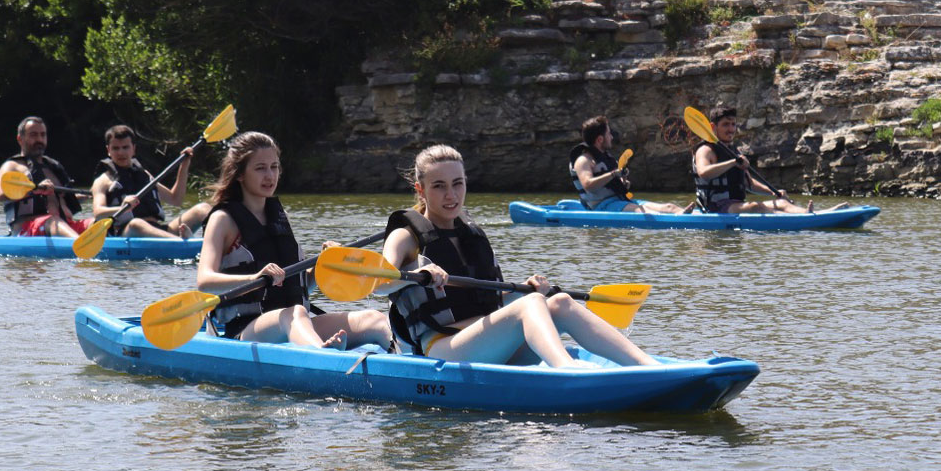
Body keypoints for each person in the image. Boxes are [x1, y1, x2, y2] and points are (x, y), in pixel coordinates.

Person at [377, 144, 658, 368]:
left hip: (486, 341)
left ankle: (647, 365)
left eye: (457, 183)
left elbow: (486, 302)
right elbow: (380, 281)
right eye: (439, 186)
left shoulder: (471, 235)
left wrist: (523, 292)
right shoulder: (405, 237)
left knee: (557, 301)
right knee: (532, 304)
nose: (451, 195)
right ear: (421, 190)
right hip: (442, 347)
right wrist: (418, 276)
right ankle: (566, 369)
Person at [196, 131, 392, 350]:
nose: (270, 176)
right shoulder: (223, 219)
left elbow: (298, 285)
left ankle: (411, 364)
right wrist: (255, 277)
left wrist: (325, 264)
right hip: (247, 331)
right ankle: (322, 357)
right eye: (260, 168)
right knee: (294, 314)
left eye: (274, 167)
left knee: (373, 319)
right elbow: (204, 280)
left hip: (296, 324)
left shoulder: (278, 216)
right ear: (240, 174)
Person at [692, 105, 850, 214]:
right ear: (713, 127)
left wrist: (773, 193)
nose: (731, 129)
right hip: (715, 208)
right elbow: (704, 172)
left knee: (780, 203)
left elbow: (749, 183)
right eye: (726, 125)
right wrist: (733, 162)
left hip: (734, 206)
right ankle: (806, 217)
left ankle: (811, 214)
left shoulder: (733, 151)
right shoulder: (706, 150)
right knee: (757, 206)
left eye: (733, 124)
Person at [90, 125, 212, 238]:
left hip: (159, 231)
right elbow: (98, 213)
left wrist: (184, 165)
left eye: (125, 147)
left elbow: (176, 199)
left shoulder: (144, 174)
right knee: (136, 223)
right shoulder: (102, 181)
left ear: (133, 148)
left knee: (203, 208)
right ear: (108, 150)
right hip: (127, 233)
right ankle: (183, 243)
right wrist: (122, 208)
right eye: (116, 148)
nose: (121, 152)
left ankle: (216, 242)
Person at [570, 115, 689, 214]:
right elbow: (588, 184)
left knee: (669, 207)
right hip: (601, 207)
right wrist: (614, 174)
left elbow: (613, 183)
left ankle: (685, 214)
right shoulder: (583, 160)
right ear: (600, 139)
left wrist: (623, 184)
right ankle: (677, 222)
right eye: (608, 134)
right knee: (643, 211)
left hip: (620, 202)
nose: (611, 137)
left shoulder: (606, 158)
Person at [0, 116, 92, 237]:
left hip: (63, 226)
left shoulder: (53, 167)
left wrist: (87, 195)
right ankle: (81, 247)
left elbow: (58, 201)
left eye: (43, 135)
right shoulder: (11, 166)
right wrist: (33, 190)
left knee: (96, 222)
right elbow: (2, 195)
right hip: (27, 229)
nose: (39, 139)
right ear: (20, 139)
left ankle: (112, 248)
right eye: (33, 135)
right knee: (53, 221)